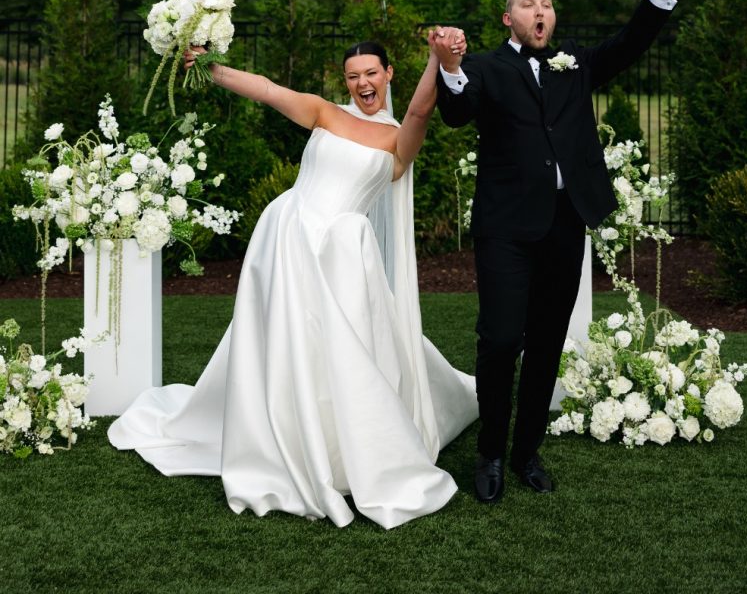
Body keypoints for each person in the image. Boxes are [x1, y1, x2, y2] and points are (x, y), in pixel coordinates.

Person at [108, 32, 478, 530]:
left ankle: (342, 452)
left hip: (344, 255)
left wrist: (438, 61)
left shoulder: (395, 140)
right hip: (287, 239)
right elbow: (265, 88)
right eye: (353, 76)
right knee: (286, 347)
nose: (362, 82)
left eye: (371, 73)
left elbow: (417, 116)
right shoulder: (326, 113)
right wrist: (208, 66)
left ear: (388, 75)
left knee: (346, 353)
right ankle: (281, 441)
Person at [431, 0, 682, 504]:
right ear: (508, 18)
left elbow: (629, 44)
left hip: (567, 224)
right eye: (528, 3)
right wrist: (449, 65)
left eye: (546, 3)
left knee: (547, 343)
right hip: (506, 230)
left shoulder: (574, 62)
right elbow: (455, 111)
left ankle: (526, 453)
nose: (540, 10)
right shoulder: (486, 67)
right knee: (500, 341)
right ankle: (491, 454)